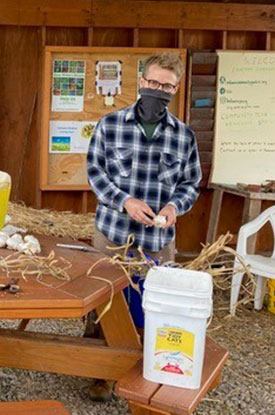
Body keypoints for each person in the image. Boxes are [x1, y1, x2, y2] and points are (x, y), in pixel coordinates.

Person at [84, 52, 202, 400]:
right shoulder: (110, 125)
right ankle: (98, 372)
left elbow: (191, 184)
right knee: (102, 303)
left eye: (166, 86)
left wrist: (173, 206)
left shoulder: (184, 136)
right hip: (112, 233)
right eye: (153, 83)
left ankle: (143, 370)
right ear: (141, 81)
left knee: (151, 306)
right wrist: (125, 201)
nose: (158, 90)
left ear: (176, 89)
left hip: (158, 238)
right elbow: (95, 172)